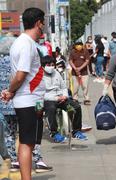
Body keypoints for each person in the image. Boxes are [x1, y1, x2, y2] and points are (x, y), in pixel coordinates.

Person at [1, 8, 47, 180]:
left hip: (31, 99)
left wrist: (12, 92)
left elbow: (19, 75)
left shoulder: (20, 42)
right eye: (43, 23)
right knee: (27, 142)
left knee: (30, 141)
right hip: (29, 100)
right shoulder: (26, 44)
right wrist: (11, 90)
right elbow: (20, 74)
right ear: (38, 23)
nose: (44, 27)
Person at [42, 56, 88, 142]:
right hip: (49, 100)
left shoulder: (56, 73)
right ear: (43, 66)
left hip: (62, 99)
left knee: (76, 107)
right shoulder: (39, 76)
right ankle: (54, 133)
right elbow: (41, 93)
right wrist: (56, 98)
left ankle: (76, 131)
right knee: (51, 109)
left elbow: (63, 87)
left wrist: (65, 96)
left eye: (53, 65)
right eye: (48, 65)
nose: (51, 67)